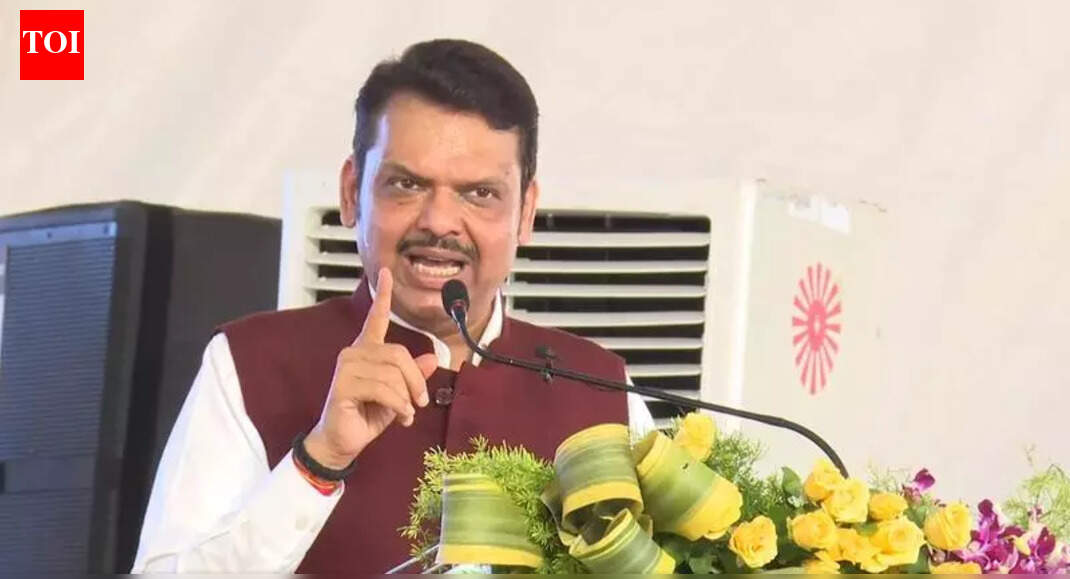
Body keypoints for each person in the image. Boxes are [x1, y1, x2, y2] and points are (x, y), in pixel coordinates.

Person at [132, 39, 655, 573]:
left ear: (525, 213)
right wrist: (318, 461)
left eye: (479, 194)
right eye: (406, 184)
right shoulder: (251, 363)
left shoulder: (602, 390)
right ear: (351, 192)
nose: (439, 222)